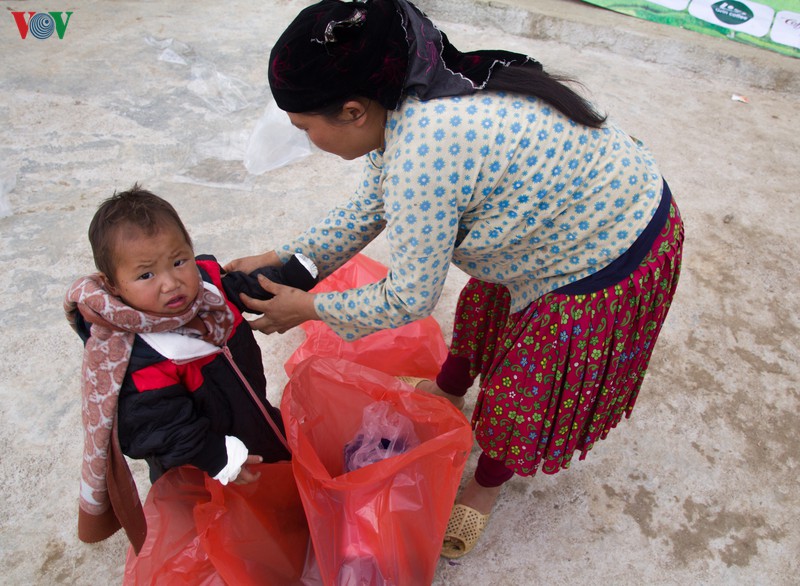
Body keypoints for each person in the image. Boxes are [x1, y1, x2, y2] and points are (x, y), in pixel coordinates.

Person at [228, 0, 684, 559]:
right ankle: (450, 388)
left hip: (608, 251)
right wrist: (287, 254)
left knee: (525, 388)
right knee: (485, 309)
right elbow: (375, 202)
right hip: (553, 217)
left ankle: (484, 487)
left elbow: (410, 298)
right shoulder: (406, 84)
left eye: (303, 127)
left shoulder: (426, 147)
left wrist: (310, 309)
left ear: (351, 111)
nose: (303, 138)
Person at [64, 184, 317, 553]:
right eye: (146, 275)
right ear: (115, 287)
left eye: (179, 260)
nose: (171, 282)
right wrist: (214, 457)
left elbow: (243, 289)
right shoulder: (139, 356)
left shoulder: (208, 289)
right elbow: (157, 427)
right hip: (196, 457)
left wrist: (289, 280)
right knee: (215, 519)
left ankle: (289, 522)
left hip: (249, 413)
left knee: (275, 475)